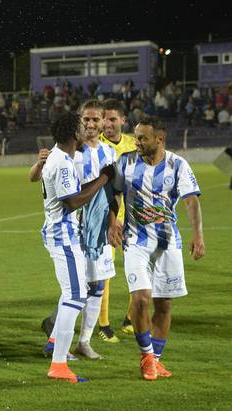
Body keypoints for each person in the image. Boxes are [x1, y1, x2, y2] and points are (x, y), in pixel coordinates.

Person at [108, 116, 204, 381]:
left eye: (143, 138)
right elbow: (114, 194)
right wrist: (112, 220)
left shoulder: (178, 165)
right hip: (135, 242)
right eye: (136, 137)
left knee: (164, 305)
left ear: (159, 139)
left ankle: (155, 359)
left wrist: (198, 236)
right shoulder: (125, 162)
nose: (137, 142)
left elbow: (191, 201)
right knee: (140, 300)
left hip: (167, 244)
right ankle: (147, 356)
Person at [40, 111, 114, 383]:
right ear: (74, 135)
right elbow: (72, 201)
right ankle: (58, 363)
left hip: (65, 233)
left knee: (74, 293)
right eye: (83, 128)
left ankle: (53, 342)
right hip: (63, 235)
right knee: (74, 296)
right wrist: (104, 179)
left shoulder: (62, 158)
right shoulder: (61, 162)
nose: (87, 131)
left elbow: (73, 192)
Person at [99, 98, 139, 339]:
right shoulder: (96, 145)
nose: (107, 124)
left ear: (123, 120)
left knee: (139, 269)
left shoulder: (134, 144)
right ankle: (103, 325)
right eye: (104, 119)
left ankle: (130, 319)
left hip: (133, 219)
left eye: (112, 119)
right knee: (105, 273)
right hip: (107, 218)